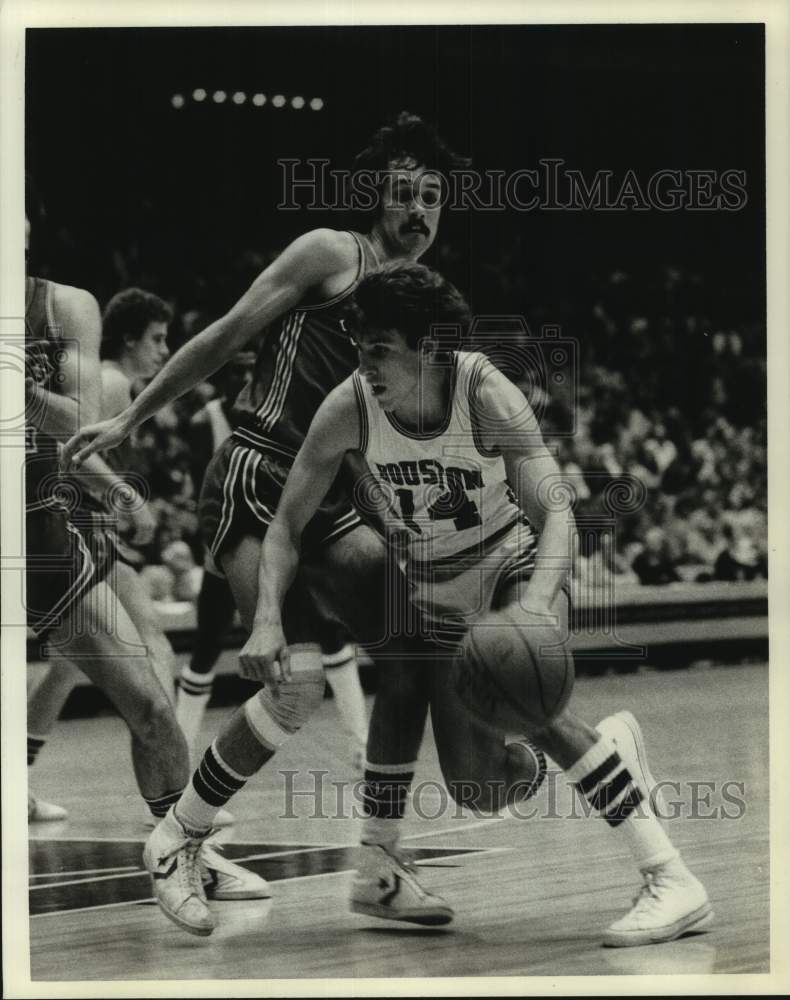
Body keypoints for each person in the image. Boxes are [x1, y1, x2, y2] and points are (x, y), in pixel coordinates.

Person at [64, 114, 543, 935]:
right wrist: (131, 419)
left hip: (336, 498)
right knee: (295, 686)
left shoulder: (413, 310)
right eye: (404, 192)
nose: (419, 211)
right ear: (376, 197)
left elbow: (377, 439)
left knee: (412, 650)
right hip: (257, 473)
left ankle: (380, 866)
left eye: (434, 197)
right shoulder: (332, 254)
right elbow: (224, 335)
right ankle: (178, 839)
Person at [236, 263, 712, 947]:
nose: (363, 365)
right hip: (436, 599)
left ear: (428, 346)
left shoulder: (487, 394)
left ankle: (671, 878)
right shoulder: (348, 407)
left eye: (379, 350)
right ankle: (607, 749)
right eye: (359, 347)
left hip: (513, 570)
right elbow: (284, 526)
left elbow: (557, 515)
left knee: (530, 700)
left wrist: (533, 610)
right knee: (480, 790)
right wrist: (266, 617)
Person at [24, 205, 266, 895]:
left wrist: (115, 491)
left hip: (38, 527)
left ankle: (190, 856)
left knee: (151, 703)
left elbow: (78, 418)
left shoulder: (65, 306)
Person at [176, 351, 369, 770]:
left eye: (254, 369)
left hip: (283, 538)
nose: (248, 378)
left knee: (331, 636)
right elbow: (201, 496)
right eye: (239, 371)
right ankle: (180, 756)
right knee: (206, 648)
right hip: (229, 540)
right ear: (225, 379)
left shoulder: (290, 414)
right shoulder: (204, 423)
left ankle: (362, 746)